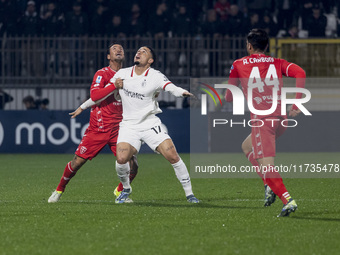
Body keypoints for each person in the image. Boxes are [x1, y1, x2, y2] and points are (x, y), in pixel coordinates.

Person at [81, 46, 200, 204]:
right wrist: (83, 106)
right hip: (129, 125)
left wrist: (183, 92)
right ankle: (125, 189)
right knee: (122, 159)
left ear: (150, 60)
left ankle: (190, 194)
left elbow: (171, 87)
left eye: (144, 52)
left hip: (150, 123)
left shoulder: (155, 75)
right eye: (138, 51)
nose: (139, 52)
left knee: (173, 156)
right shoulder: (122, 74)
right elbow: (100, 94)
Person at [225, 29, 306, 217]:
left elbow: (229, 96)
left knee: (267, 165)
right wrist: (297, 103)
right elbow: (300, 72)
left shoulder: (238, 64)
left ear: (249, 46)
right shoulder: (277, 63)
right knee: (246, 146)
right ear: (267, 46)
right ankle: (269, 186)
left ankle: (288, 200)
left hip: (263, 121)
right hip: (281, 119)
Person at [48, 44, 138, 203]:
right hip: (99, 127)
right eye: (114, 49)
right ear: (108, 56)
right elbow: (95, 95)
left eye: (121, 49)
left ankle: (120, 193)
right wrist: (113, 85)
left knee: (133, 165)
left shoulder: (130, 74)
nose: (118, 50)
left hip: (120, 128)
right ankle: (59, 189)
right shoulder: (102, 74)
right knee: (77, 162)